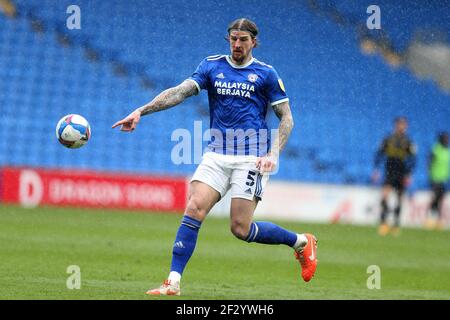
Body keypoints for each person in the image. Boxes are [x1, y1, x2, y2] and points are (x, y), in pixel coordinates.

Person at [112, 18, 318, 296]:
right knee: (194, 208)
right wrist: (141, 110)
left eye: (243, 39)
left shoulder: (266, 74)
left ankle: (301, 242)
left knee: (240, 228)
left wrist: (273, 153)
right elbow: (180, 92)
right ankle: (172, 282)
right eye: (233, 38)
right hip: (216, 154)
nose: (237, 44)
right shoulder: (212, 66)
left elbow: (287, 119)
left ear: (254, 42)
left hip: (252, 158)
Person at [372, 117, 416, 236]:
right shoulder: (388, 139)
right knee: (385, 196)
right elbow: (379, 154)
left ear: (406, 126)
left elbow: (413, 159)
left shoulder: (408, 141)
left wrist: (409, 174)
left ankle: (396, 224)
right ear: (395, 125)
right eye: (399, 124)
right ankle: (383, 223)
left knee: (399, 198)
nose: (401, 126)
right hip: (389, 170)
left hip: (402, 171)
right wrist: (376, 170)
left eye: (404, 124)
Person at [426, 132, 449, 230]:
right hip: (435, 178)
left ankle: (438, 220)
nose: (446, 140)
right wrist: (430, 175)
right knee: (434, 198)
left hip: (444, 179)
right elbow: (429, 162)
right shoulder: (436, 149)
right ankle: (429, 218)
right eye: (445, 138)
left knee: (440, 199)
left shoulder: (447, 151)